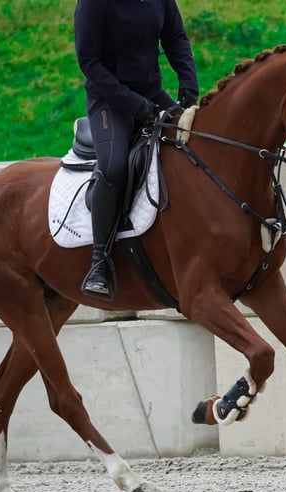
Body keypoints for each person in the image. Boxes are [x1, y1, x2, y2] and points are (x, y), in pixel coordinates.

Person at [74, 0, 199, 299]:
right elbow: (89, 62)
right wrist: (133, 103)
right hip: (109, 100)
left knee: (196, 143)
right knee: (115, 166)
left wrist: (188, 81)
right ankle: (100, 262)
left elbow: (175, 37)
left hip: (152, 92)